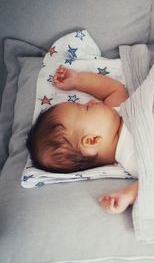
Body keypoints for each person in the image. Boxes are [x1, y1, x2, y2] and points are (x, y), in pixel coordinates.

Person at [26, 65, 138, 214]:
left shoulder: (116, 111)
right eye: (86, 108)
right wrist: (129, 195)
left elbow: (114, 89)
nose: (91, 102)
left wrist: (78, 80)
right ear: (91, 140)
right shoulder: (131, 157)